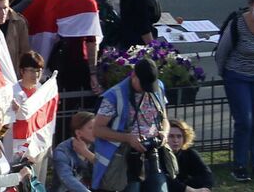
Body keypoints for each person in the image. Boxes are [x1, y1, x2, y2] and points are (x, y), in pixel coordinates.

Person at [212, 0, 254, 182]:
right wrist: (225, 74)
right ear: (251, 6)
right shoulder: (237, 23)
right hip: (237, 75)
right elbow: (222, 51)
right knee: (244, 121)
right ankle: (239, 165)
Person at [95, 58, 170, 192]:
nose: (146, 89)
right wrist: (128, 138)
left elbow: (164, 118)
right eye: (143, 85)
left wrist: (164, 132)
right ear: (133, 75)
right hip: (125, 158)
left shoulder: (158, 87)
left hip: (153, 154)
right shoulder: (113, 96)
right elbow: (97, 130)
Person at [51, 111, 101, 192]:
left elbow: (108, 172)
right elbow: (67, 179)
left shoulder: (98, 146)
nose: (95, 131)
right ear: (78, 132)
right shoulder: (62, 151)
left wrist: (86, 153)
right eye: (91, 128)